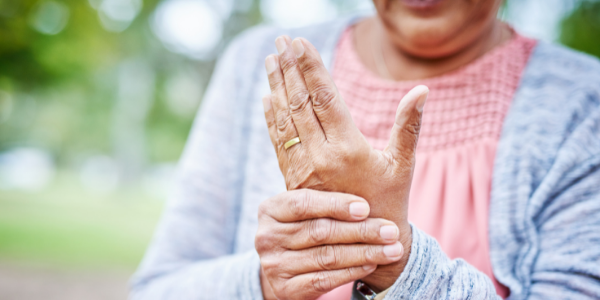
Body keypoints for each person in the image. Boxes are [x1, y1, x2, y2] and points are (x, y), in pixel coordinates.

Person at [130, 0, 600, 299]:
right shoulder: (259, 65)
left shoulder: (581, 102)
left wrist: (395, 260)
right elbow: (159, 289)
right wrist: (263, 284)